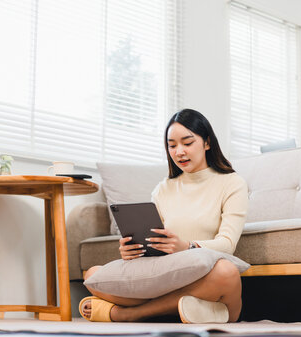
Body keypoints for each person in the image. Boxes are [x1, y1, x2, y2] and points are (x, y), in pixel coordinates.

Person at [80, 108, 248, 323]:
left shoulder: (232, 183)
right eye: (172, 145)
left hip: (202, 276)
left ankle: (128, 314)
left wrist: (187, 247)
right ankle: (185, 308)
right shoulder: (163, 188)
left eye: (187, 143)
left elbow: (227, 244)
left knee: (226, 271)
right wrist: (132, 250)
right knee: (93, 274)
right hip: (166, 275)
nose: (179, 152)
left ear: (207, 143)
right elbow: (153, 239)